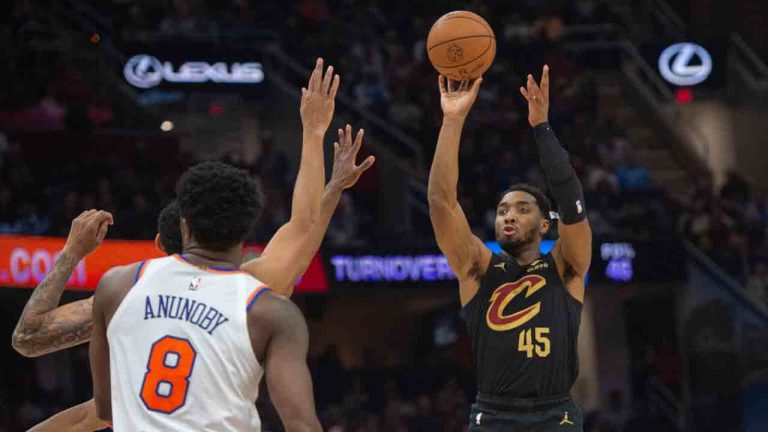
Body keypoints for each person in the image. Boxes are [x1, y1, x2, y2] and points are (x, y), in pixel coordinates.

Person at [16, 59, 375, 431]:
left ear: (166, 239)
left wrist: (72, 253)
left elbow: (31, 340)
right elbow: (303, 226)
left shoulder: (124, 290)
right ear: (242, 233)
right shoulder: (256, 292)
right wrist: (316, 141)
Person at [427, 65, 592, 431]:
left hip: (556, 414)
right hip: (494, 414)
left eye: (521, 209)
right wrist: (452, 120)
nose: (508, 216)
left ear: (545, 225)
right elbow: (441, 203)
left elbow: (571, 199)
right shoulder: (479, 268)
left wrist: (542, 128)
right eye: (502, 211)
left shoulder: (566, 266)